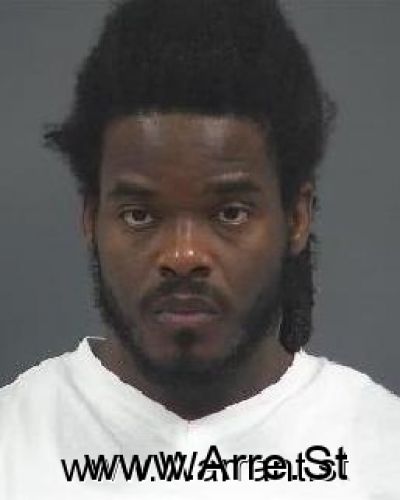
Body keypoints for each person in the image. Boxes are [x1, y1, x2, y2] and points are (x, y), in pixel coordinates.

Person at [0, 0, 398, 498]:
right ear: (90, 219)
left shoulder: (383, 454)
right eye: (140, 215)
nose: (183, 256)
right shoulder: (12, 444)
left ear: (297, 218)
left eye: (229, 213)